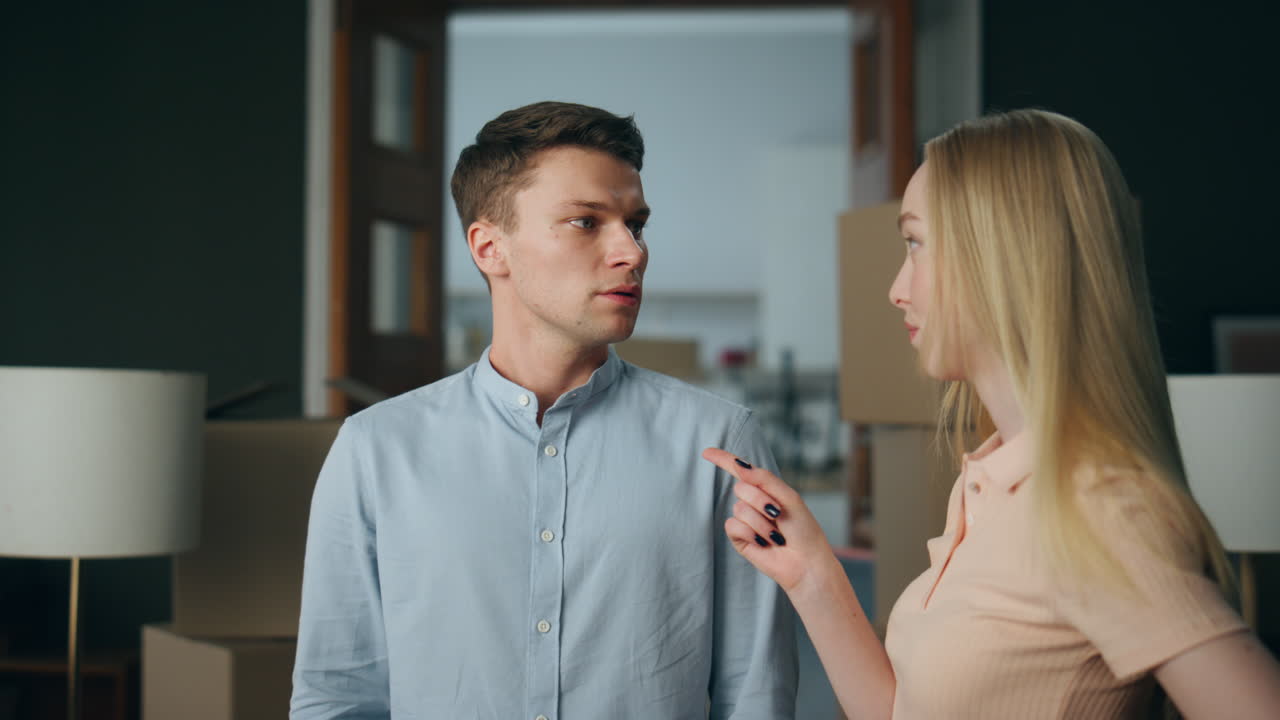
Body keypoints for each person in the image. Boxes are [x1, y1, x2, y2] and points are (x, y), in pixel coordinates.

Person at [703, 109, 1280, 719]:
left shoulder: (1101, 506)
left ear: (1003, 256)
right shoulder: (987, 482)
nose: (898, 288)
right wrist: (812, 572)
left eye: (916, 244)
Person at [291, 101, 797, 720]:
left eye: (635, 224)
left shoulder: (719, 440)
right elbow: (337, 696)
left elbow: (757, 695)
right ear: (489, 248)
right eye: (586, 222)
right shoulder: (375, 449)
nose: (632, 252)